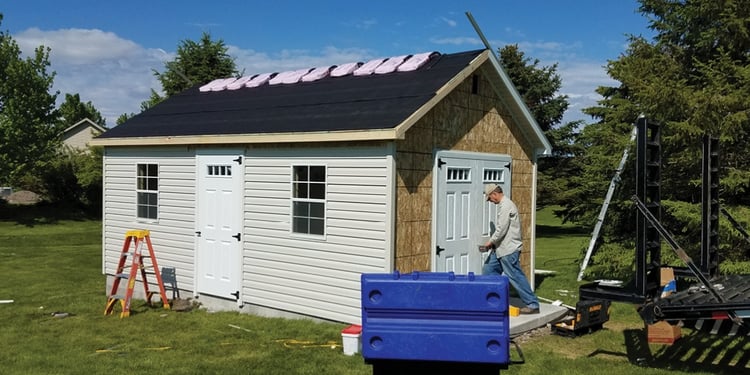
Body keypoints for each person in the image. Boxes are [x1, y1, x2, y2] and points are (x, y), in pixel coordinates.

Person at [482, 183, 540, 314]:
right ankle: (491, 302)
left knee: (515, 276)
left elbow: (502, 229)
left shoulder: (506, 206)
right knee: (488, 271)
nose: (490, 201)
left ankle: (532, 304)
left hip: (508, 250)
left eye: (490, 198)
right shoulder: (504, 205)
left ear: (494, 194)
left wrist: (490, 241)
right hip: (500, 249)